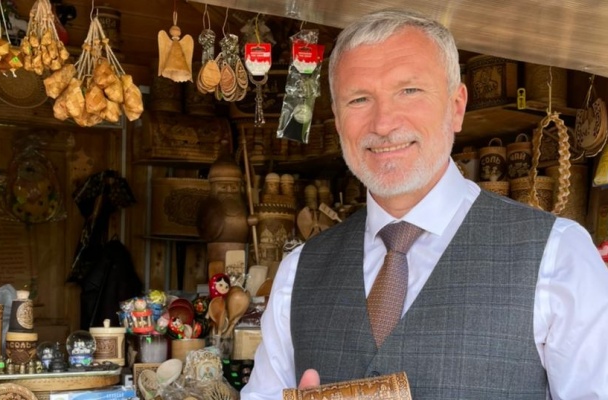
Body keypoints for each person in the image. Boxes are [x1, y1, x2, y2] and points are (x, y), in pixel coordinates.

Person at [240, 8, 608, 400]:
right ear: (337, 118)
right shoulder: (299, 272)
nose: (383, 124)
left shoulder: (558, 255)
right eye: (359, 99)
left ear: (456, 106)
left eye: (409, 91)